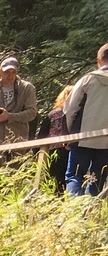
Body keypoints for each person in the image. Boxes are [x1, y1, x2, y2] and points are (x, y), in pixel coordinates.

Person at [65, 43, 108, 196]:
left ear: (99, 59)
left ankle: (74, 211)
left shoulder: (87, 80)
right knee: (98, 179)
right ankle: (91, 214)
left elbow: (69, 108)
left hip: (82, 137)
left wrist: (71, 133)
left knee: (75, 176)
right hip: (106, 141)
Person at [47, 83, 76, 190]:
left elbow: (42, 134)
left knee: (53, 179)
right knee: (70, 177)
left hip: (53, 151)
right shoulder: (77, 114)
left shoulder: (52, 114)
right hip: (72, 149)